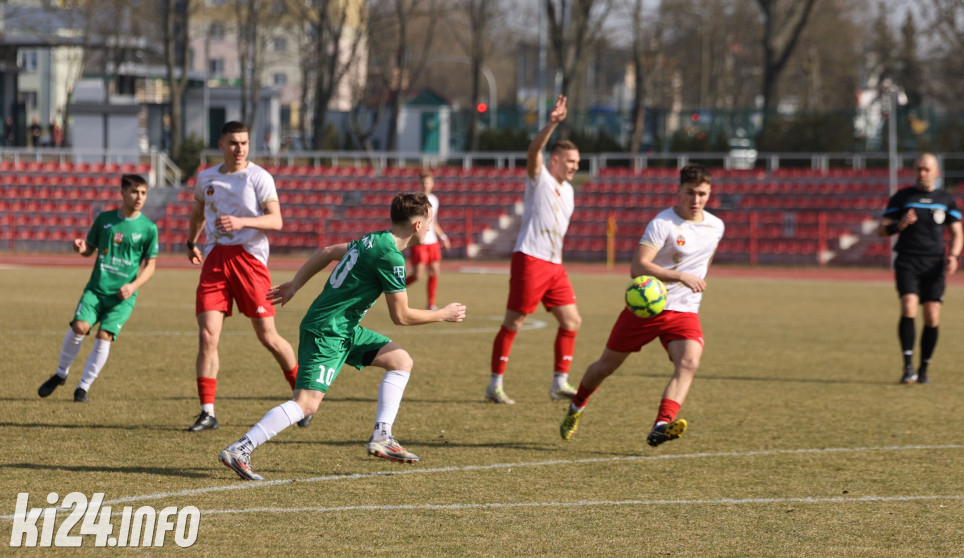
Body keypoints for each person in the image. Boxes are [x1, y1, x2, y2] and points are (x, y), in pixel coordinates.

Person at [218, 193, 467, 480]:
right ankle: (241, 448)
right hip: (327, 331)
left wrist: (296, 285)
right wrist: (443, 314)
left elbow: (326, 251)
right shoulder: (391, 256)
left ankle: (382, 436)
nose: (430, 229)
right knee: (306, 403)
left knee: (400, 360)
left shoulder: (373, 239)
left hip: (344, 328)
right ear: (417, 224)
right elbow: (401, 316)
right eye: (430, 223)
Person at [559, 164, 724, 447]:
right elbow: (638, 267)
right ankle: (577, 405)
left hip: (684, 310)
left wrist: (693, 284)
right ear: (679, 191)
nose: (695, 200)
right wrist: (680, 276)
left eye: (701, 194)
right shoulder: (662, 223)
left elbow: (704, 260)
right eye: (690, 193)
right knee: (605, 367)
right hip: (647, 308)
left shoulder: (716, 226)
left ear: (709, 194)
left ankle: (661, 425)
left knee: (689, 362)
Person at [185, 121, 299, 432]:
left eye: (244, 143)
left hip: (249, 261)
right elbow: (198, 212)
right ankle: (207, 412)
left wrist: (241, 222)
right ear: (221, 144)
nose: (240, 149)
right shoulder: (206, 178)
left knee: (268, 337)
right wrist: (191, 241)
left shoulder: (259, 177)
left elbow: (276, 221)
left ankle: (302, 395)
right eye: (233, 143)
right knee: (208, 336)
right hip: (215, 260)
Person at [486, 95, 581, 405]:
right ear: (554, 160)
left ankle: (558, 383)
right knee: (514, 323)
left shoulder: (569, 191)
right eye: (570, 161)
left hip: (555, 265)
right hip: (530, 259)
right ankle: (494, 385)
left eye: (577, 163)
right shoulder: (539, 179)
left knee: (572, 322)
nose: (574, 167)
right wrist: (553, 123)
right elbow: (533, 150)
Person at [37, 175, 159, 402]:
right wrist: (81, 247)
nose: (139, 197)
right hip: (96, 290)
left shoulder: (149, 228)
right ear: (122, 193)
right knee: (79, 327)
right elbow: (89, 249)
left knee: (104, 335)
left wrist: (133, 286)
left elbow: (151, 266)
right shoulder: (105, 219)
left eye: (143, 193)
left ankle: (82, 388)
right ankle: (61, 374)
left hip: (123, 297)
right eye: (134, 191)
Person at [877, 152, 964, 385]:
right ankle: (907, 368)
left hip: (935, 263)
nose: (922, 173)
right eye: (918, 169)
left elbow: (957, 233)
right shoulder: (902, 197)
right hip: (908, 261)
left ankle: (924, 368)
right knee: (908, 307)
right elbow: (882, 230)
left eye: (926, 169)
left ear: (936, 172)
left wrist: (954, 256)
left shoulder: (946, 199)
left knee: (932, 316)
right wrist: (900, 224)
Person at [405, 170, 451, 310]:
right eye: (424, 182)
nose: (426, 185)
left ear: (432, 184)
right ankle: (394, 288)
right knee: (418, 275)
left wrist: (443, 237)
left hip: (433, 242)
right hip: (420, 242)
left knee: (434, 272)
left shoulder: (435, 200)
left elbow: (434, 222)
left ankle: (431, 304)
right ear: (420, 184)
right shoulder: (416, 199)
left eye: (428, 182)